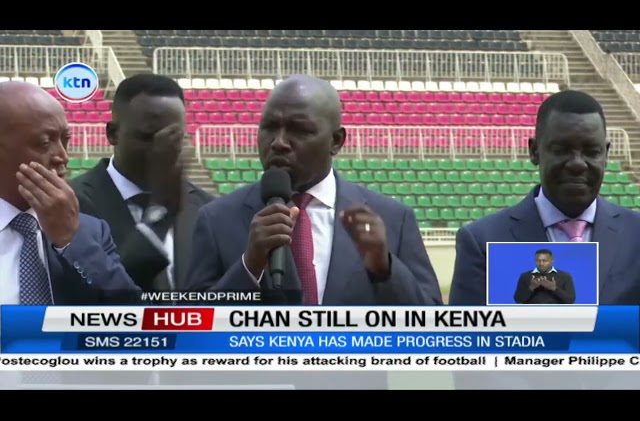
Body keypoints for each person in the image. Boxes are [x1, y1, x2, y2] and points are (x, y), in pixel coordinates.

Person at [185, 74, 442, 306]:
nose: (279, 142)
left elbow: (432, 323)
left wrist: (385, 269)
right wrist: (249, 267)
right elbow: (189, 328)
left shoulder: (393, 219)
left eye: (299, 130)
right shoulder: (216, 219)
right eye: (269, 127)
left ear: (336, 141)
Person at [449, 89, 640, 306]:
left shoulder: (636, 236)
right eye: (561, 150)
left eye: (591, 151)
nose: (577, 163)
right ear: (534, 151)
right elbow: (468, 336)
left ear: (606, 154)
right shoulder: (482, 241)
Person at [70, 74, 213, 299]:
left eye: (173, 138)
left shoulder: (208, 209)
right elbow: (95, 298)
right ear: (113, 133)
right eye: (149, 137)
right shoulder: (71, 205)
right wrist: (159, 215)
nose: (162, 150)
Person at [0, 80, 141, 305]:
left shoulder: (90, 231)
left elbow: (131, 315)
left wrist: (71, 240)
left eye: (65, 141)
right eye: (45, 143)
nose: (62, 157)